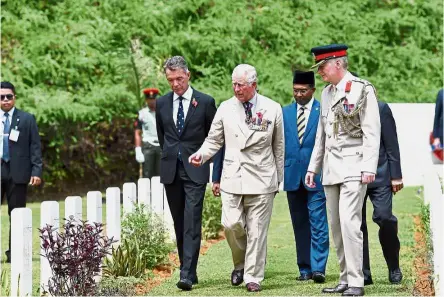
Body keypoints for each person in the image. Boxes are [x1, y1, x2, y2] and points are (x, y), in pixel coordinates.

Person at [189, 64, 284, 292]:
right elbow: (214, 140)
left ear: (253, 85)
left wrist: (278, 179)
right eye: (233, 84)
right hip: (233, 175)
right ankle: (240, 264)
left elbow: (278, 146)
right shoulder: (225, 108)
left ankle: (253, 276)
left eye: (240, 85)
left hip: (262, 177)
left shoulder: (272, 108)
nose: (236, 89)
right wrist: (201, 155)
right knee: (231, 225)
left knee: (258, 230)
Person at [305, 44, 380, 297]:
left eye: (322, 66)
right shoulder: (327, 93)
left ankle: (357, 282)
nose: (320, 72)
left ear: (338, 63)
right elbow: (321, 135)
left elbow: (371, 131)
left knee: (350, 223)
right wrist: (313, 167)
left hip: (354, 165)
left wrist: (369, 166)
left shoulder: (361, 89)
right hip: (331, 168)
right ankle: (345, 278)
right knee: (336, 226)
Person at [155, 56, 217, 291]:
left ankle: (187, 274)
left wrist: (209, 163)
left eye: (179, 78)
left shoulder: (205, 102)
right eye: (170, 80)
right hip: (171, 169)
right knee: (179, 222)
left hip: (196, 169)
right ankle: (187, 267)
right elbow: (164, 138)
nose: (175, 84)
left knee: (192, 220)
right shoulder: (161, 103)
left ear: (188, 75)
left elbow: (214, 138)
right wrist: (172, 156)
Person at [282, 70, 329, 283]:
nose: (299, 95)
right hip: (292, 176)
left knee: (318, 222)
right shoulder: (284, 113)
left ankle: (319, 268)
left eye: (303, 91)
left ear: (313, 90)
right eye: (295, 91)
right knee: (299, 224)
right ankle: (305, 268)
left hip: (316, 175)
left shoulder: (323, 111)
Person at [361, 100, 404, 286]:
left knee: (384, 217)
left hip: (381, 173)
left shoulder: (381, 108)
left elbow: (391, 142)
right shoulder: (342, 107)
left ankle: (394, 265)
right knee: (356, 225)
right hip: (353, 175)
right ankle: (363, 273)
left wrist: (396, 175)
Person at [1, 81, 42, 263]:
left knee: (16, 213)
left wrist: (37, 171)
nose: (5, 100)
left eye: (9, 96)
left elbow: (35, 147)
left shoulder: (27, 119)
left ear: (14, 97)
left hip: (18, 172)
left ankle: (14, 252)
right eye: (2, 97)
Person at [134, 88, 161, 179]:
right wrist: (138, 149)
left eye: (153, 99)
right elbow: (137, 132)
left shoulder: (163, 112)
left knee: (161, 174)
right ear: (146, 100)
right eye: (149, 100)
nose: (152, 102)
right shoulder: (142, 114)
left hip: (161, 145)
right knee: (147, 173)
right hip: (148, 145)